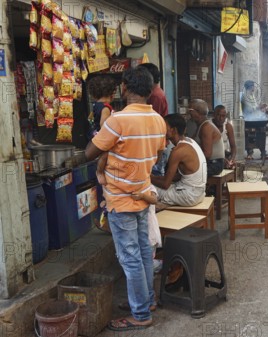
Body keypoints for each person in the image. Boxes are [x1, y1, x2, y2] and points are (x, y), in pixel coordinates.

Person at [85, 66, 166, 331]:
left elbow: (90, 152)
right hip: (142, 193)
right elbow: (156, 154)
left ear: (125, 88)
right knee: (143, 253)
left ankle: (141, 314)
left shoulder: (117, 120)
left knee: (131, 257)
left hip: (121, 198)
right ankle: (147, 301)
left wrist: (100, 153)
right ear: (150, 90)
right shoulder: (158, 120)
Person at [151, 113, 207, 207]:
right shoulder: (190, 141)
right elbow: (178, 176)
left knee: (148, 189)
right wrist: (153, 177)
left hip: (189, 196)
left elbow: (165, 184)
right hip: (198, 193)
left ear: (173, 130)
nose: (162, 130)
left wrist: (149, 178)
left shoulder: (178, 151)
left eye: (165, 127)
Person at [139, 63, 171, 176]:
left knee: (155, 178)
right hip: (158, 144)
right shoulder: (157, 93)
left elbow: (152, 122)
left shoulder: (155, 95)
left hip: (156, 146)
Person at [87, 75, 116, 186]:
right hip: (101, 136)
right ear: (112, 93)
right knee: (105, 155)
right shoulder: (105, 107)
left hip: (95, 135)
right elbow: (104, 124)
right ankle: (99, 172)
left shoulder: (96, 105)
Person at [187, 99, 225, 176]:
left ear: (198, 112)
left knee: (185, 173)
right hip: (210, 163)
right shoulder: (201, 125)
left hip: (214, 164)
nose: (189, 113)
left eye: (190, 110)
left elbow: (207, 154)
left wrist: (189, 159)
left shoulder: (206, 127)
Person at [241, 80, 268, 160]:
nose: (254, 87)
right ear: (250, 87)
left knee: (261, 134)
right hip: (249, 120)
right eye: (253, 86)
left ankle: (263, 152)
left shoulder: (252, 95)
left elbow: (255, 106)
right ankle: (250, 153)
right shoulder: (245, 96)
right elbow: (249, 110)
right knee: (252, 135)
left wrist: (262, 107)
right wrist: (259, 107)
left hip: (254, 118)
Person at [212, 105, 237, 169]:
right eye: (218, 115)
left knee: (232, 165)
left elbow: (233, 146)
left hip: (225, 154)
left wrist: (232, 159)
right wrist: (222, 159)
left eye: (223, 116)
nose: (221, 118)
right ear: (214, 115)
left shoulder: (228, 127)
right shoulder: (209, 126)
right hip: (213, 156)